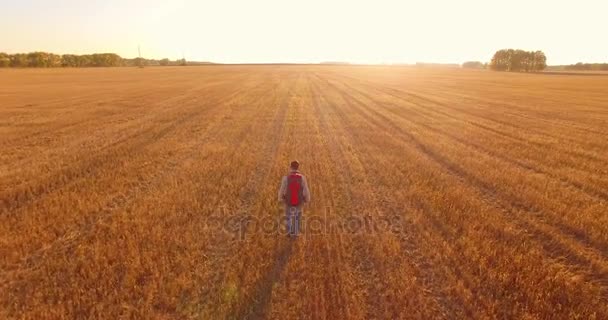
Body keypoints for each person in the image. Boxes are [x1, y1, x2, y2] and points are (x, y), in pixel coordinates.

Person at [278, 160, 311, 237]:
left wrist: (280, 198)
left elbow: (282, 189)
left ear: (290, 167)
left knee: (288, 216)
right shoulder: (302, 178)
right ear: (298, 167)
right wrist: (307, 199)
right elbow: (306, 189)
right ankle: (295, 233)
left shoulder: (286, 178)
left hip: (288, 201)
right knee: (297, 217)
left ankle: (288, 232)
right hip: (299, 201)